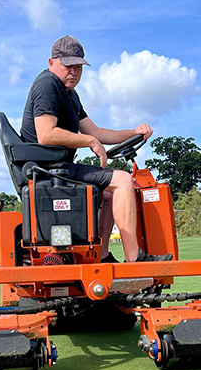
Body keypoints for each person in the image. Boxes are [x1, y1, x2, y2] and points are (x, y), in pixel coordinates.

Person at [21, 35, 173, 263]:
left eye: (78, 67)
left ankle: (101, 256)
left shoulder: (70, 94)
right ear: (52, 62)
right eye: (67, 66)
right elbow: (46, 135)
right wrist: (90, 143)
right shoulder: (47, 85)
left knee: (111, 195)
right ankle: (135, 258)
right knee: (123, 181)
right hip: (48, 171)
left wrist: (133, 132)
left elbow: (96, 132)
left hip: (58, 169)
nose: (73, 72)